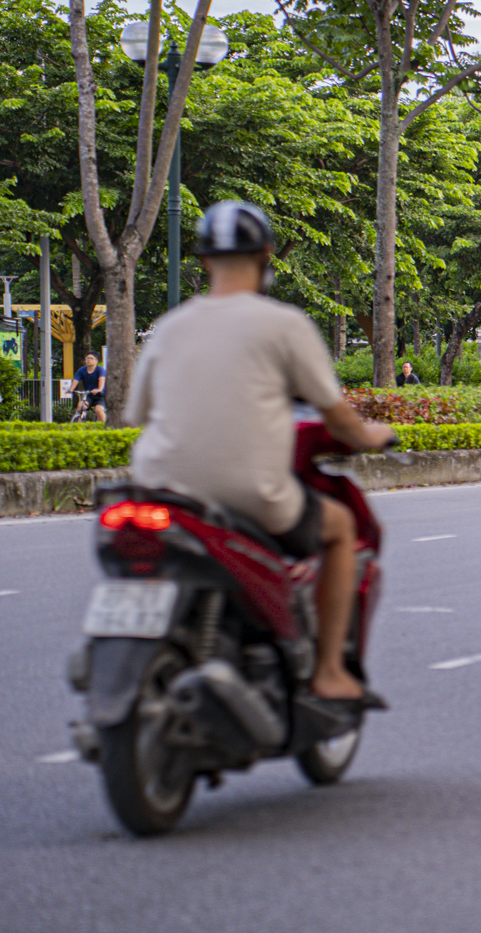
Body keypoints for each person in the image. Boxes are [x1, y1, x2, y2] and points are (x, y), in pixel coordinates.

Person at [125, 200, 397, 708]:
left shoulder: (169, 327)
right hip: (250, 495)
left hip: (158, 490)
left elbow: (136, 414)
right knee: (340, 529)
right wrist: (369, 437)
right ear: (267, 254)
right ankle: (330, 671)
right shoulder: (283, 324)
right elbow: (335, 414)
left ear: (204, 260)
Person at [72, 353, 107, 421]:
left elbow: (102, 379)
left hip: (100, 396)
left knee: (98, 410)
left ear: (96, 361)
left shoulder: (100, 370)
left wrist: (99, 389)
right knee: (80, 406)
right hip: (89, 395)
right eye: (87, 358)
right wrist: (71, 389)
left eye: (91, 358)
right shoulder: (82, 370)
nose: (88, 360)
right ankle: (78, 426)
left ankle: (105, 427)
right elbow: (76, 380)